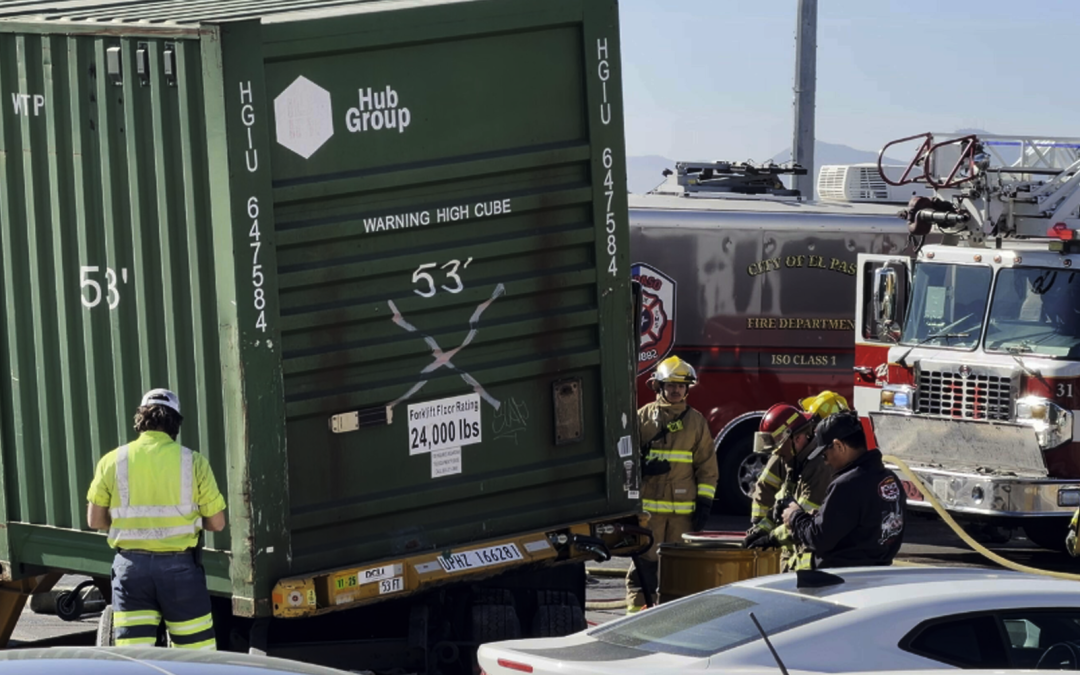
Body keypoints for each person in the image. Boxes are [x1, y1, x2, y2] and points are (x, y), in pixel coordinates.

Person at [86, 389, 227, 649]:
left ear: (141, 419)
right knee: (195, 658)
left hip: (130, 569)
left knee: (136, 658)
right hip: (180, 571)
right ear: (175, 423)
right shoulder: (194, 462)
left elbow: (95, 521)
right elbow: (217, 523)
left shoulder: (112, 460)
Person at [625, 356, 718, 613]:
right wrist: (642, 468)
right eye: (670, 385)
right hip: (648, 515)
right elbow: (624, 459)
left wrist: (705, 504)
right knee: (643, 571)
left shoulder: (696, 422)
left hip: (682, 516)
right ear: (659, 387)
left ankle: (673, 622)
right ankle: (634, 621)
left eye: (680, 385)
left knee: (679, 571)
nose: (676, 390)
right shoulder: (642, 418)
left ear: (687, 388)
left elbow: (707, 468)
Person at [781, 411, 906, 569]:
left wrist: (794, 516)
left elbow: (819, 538)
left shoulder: (846, 486)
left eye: (824, 455)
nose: (825, 462)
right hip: (878, 575)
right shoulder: (890, 479)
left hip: (842, 580)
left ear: (839, 446)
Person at [744, 391, 850, 570]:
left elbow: (803, 519)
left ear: (799, 438)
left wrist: (771, 537)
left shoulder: (820, 466)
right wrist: (760, 528)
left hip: (818, 562)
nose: (776, 455)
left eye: (778, 447)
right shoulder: (791, 456)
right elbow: (776, 501)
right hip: (795, 558)